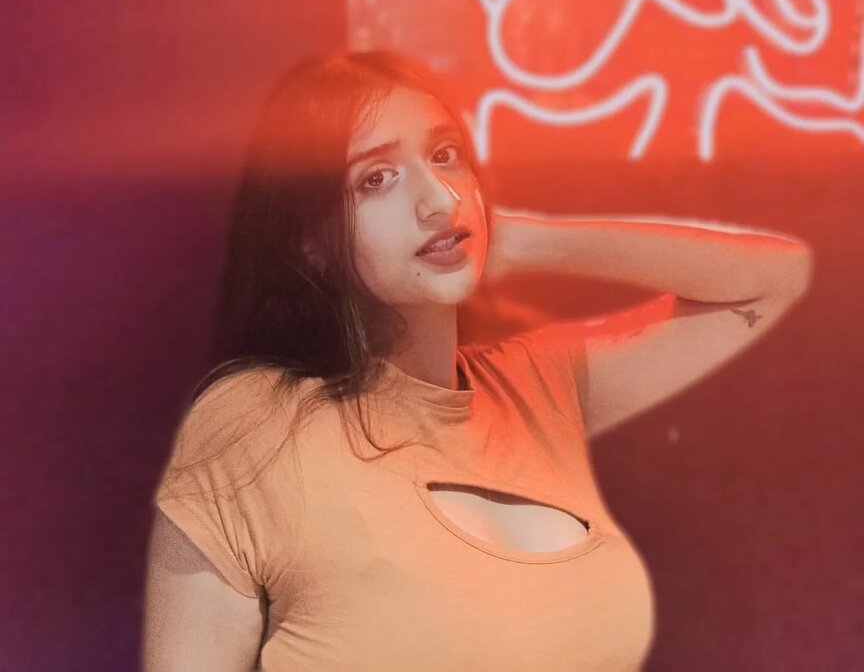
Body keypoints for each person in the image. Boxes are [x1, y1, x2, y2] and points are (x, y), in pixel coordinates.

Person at [141, 49, 813, 671]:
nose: (440, 199)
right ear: (310, 243)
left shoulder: (538, 386)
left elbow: (773, 278)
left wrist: (529, 242)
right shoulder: (259, 425)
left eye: (446, 155)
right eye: (377, 178)